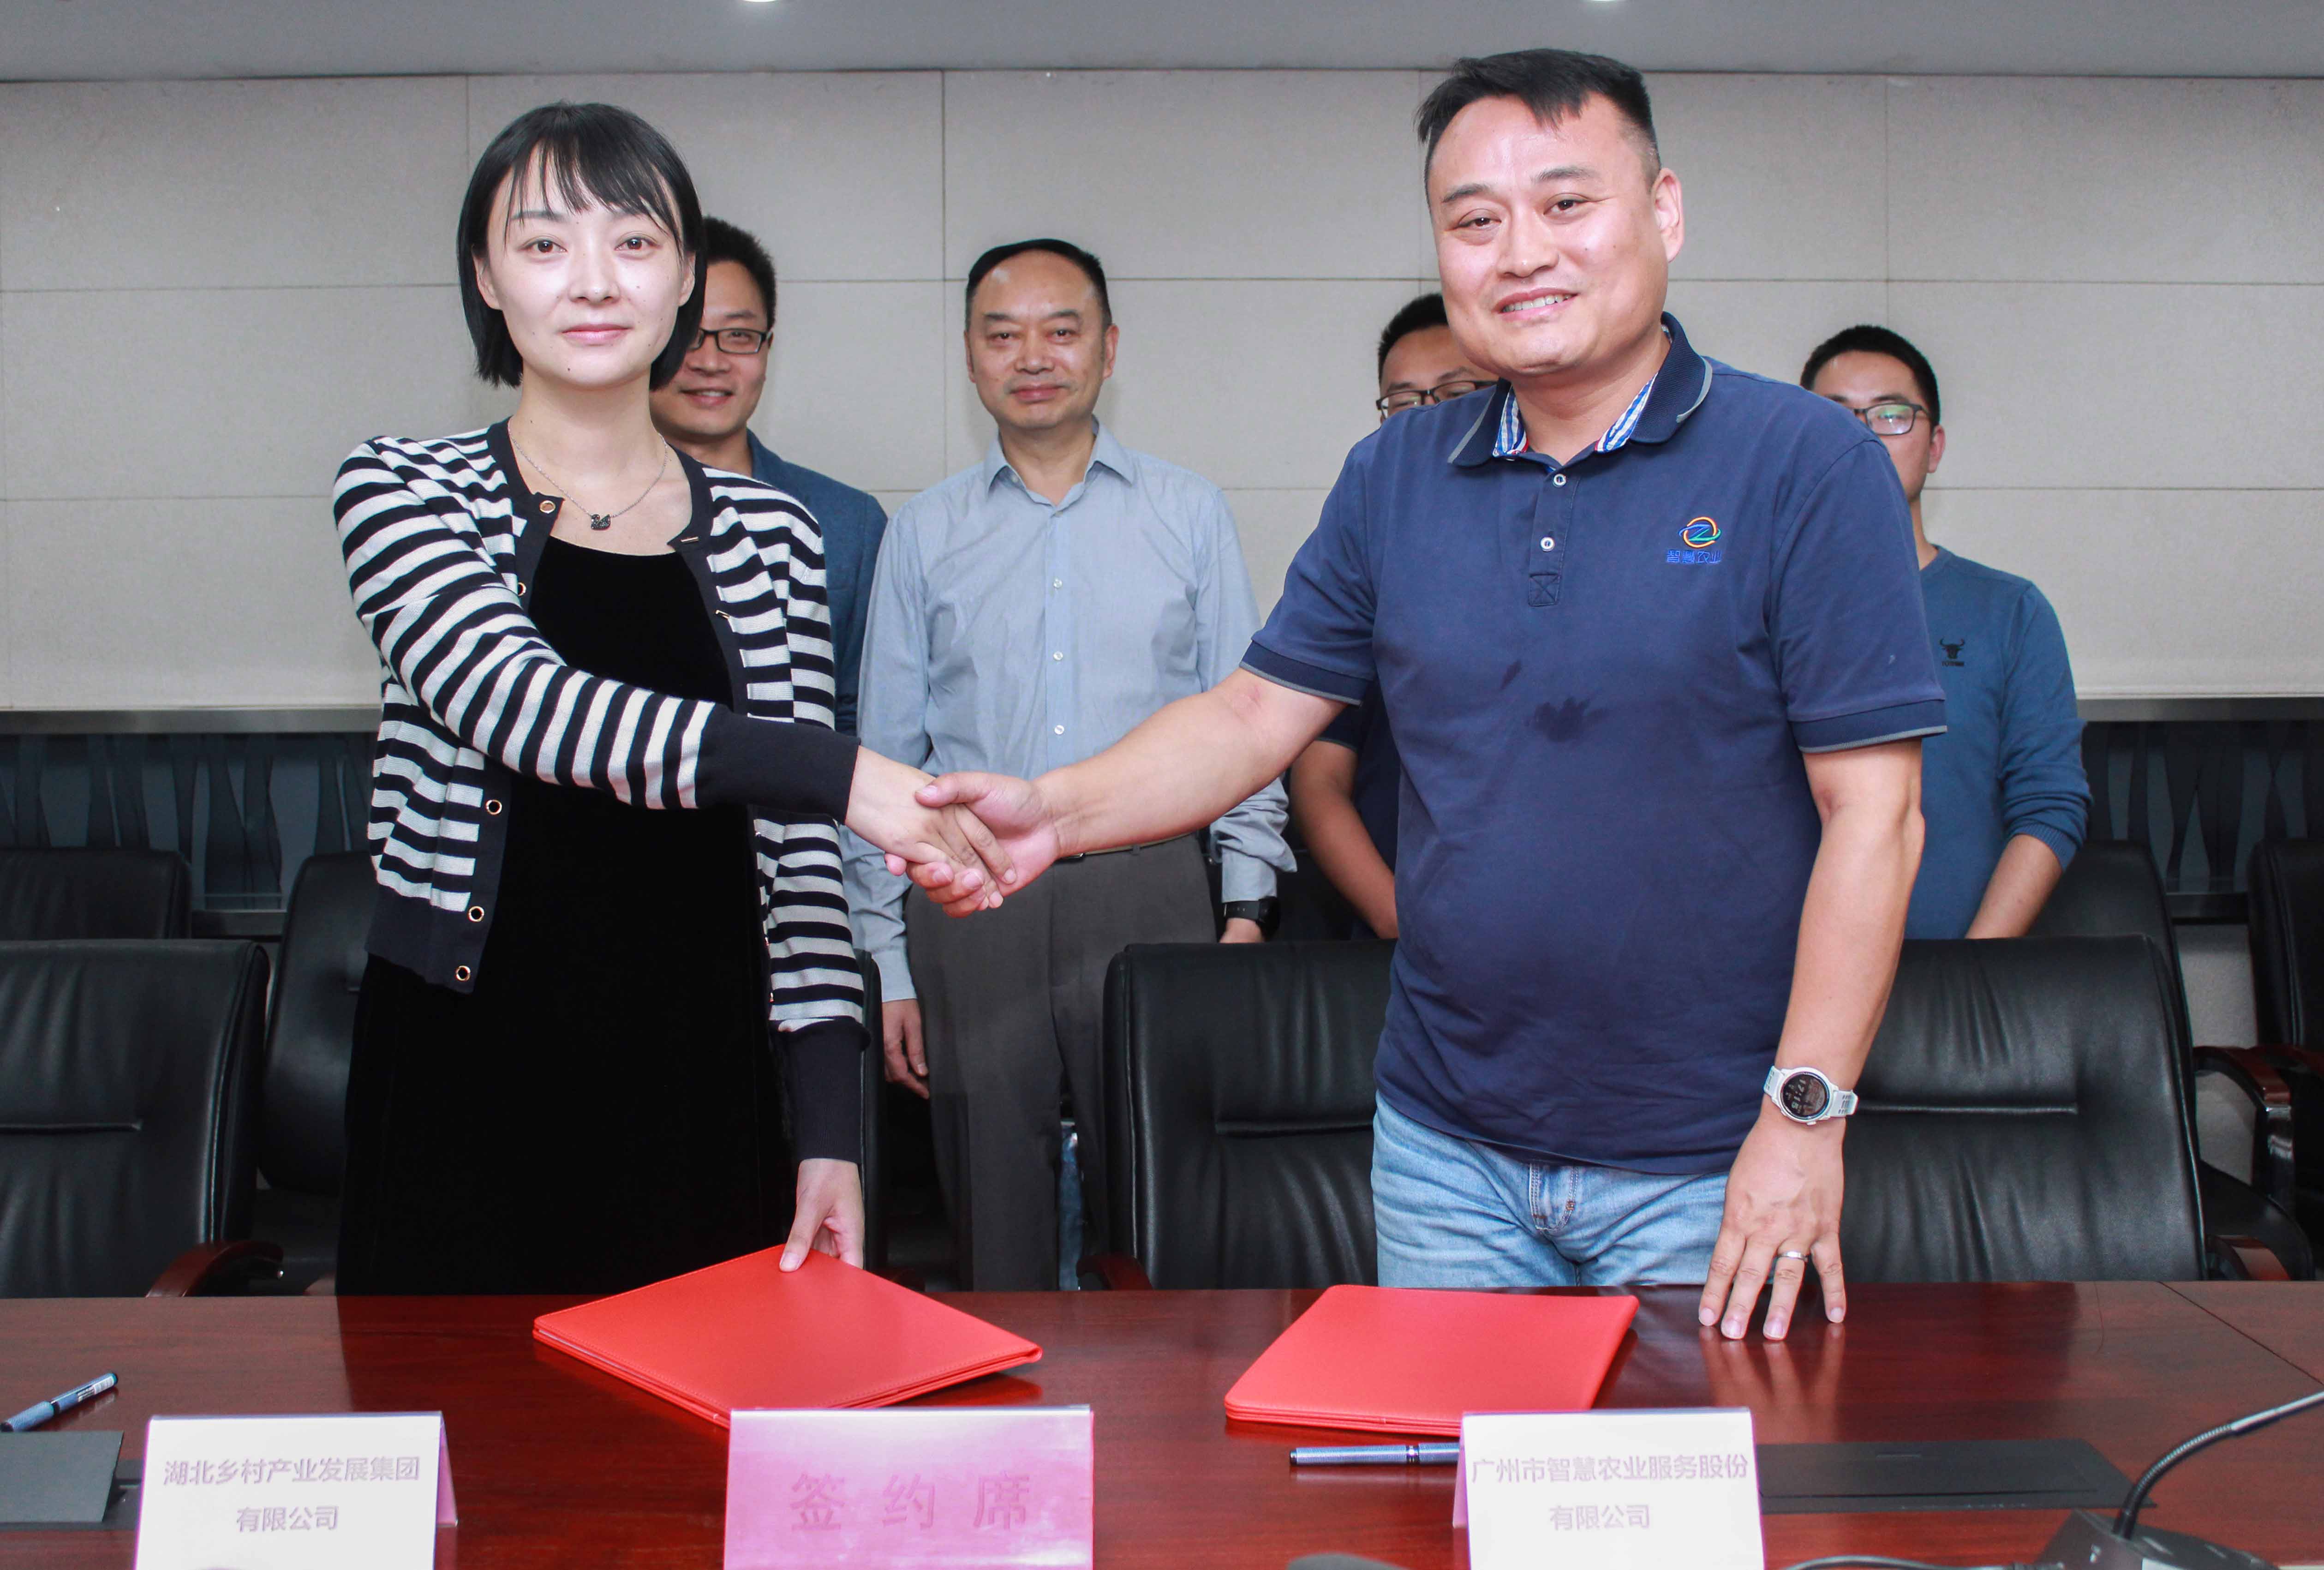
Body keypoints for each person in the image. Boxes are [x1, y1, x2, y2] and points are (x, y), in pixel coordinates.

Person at [913, 51, 1945, 1342]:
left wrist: (1803, 1117)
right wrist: (1052, 814)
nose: (1521, 253)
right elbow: (1250, 718)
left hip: (1707, 1158)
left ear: (1663, 210)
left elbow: (1875, 819)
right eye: (1473, 220)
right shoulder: (1392, 474)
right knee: (1448, 1474)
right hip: (1444, 1153)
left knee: (1699, 1476)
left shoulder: (1804, 463)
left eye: (1565, 204)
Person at [330, 102, 1006, 1295]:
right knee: (453, 1407)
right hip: (463, 1059)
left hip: (702, 1062)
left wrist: (830, 1129)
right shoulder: (401, 488)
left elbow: (798, 859)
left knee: (698, 1404)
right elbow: (519, 703)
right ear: (485, 276)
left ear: (685, 275)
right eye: (544, 244)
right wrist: (849, 773)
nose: (593, 280)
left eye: (634, 242)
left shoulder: (772, 531)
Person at [848, 238, 1293, 1290]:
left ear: (1108, 348)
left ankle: (1166, 1395)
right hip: (971, 898)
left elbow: (1243, 722)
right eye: (1002, 334)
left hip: (1152, 888)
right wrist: (889, 966)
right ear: (970, 356)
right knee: (989, 1210)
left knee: (1161, 1202)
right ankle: (1004, 1391)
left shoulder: (1186, 512)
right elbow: (884, 759)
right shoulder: (924, 532)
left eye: (1061, 329)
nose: (1032, 356)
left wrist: (1245, 910)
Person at [1802, 325, 2089, 938]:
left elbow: (2049, 806)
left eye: (1891, 415)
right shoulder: (1758, 608)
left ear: (1934, 446)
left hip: (1965, 966)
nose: (1864, 435)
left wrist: (1975, 968)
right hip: (1790, 977)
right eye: (1835, 417)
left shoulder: (2009, 611)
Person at [1287, 294, 1491, 938]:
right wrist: (1394, 916)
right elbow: (1316, 777)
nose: (1426, 420)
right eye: (1402, 403)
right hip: (1405, 932)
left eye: (1455, 394)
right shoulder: (1368, 562)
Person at [650, 217, 889, 735]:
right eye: (685, 334)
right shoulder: (580, 512)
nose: (710, 361)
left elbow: (861, 715)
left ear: (767, 349)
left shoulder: (848, 524)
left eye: (739, 336)